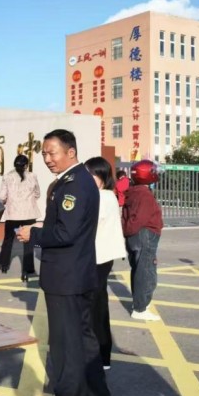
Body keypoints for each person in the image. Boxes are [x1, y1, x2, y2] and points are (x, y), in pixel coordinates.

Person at [17, 130, 114, 396]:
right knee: (85, 340)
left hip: (66, 278)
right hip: (80, 274)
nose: (47, 159)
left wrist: (31, 234)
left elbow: (65, 233)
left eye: (52, 152)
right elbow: (68, 225)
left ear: (71, 152)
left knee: (66, 344)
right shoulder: (81, 181)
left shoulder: (72, 184)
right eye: (44, 154)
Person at [84, 157, 127, 370]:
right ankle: (102, 354)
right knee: (98, 304)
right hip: (100, 256)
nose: (88, 178)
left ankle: (101, 354)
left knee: (95, 307)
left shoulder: (102, 197)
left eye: (92, 174)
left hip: (98, 257)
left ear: (102, 176)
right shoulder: (104, 196)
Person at [122, 159, 164, 322]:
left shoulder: (134, 191)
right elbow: (139, 219)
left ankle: (139, 305)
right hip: (144, 236)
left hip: (137, 236)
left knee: (139, 270)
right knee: (146, 272)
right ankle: (140, 308)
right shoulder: (144, 195)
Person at [0, 154, 41, 282]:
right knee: (28, 243)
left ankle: (4, 265)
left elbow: (1, 196)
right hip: (29, 214)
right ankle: (27, 272)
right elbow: (37, 193)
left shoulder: (7, 177)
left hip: (13, 214)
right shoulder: (33, 176)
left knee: (8, 240)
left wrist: (7, 201)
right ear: (26, 165)